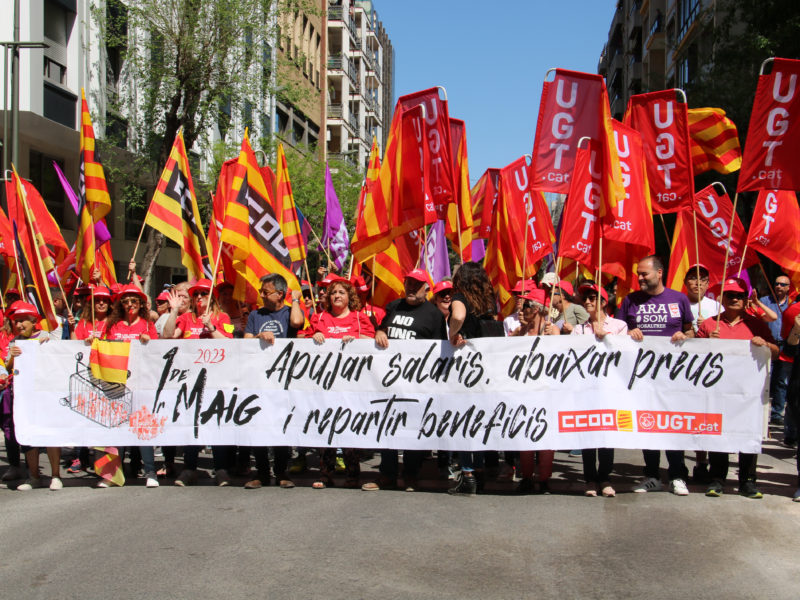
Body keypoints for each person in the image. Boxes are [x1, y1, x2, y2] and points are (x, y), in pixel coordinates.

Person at [363, 269, 446, 492]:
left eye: (416, 284)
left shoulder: (434, 315)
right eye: (408, 283)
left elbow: (440, 350)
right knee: (388, 426)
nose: (411, 288)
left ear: (426, 289)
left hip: (417, 383)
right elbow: (382, 330)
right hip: (388, 381)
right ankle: (387, 474)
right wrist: (379, 332)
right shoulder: (393, 306)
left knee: (411, 428)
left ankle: (411, 475)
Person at [617, 255, 694, 495]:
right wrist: (629, 332)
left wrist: (685, 336)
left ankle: (677, 475)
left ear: (659, 273)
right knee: (647, 424)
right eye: (638, 274)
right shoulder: (630, 300)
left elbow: (691, 332)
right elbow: (618, 332)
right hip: (641, 376)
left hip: (672, 376)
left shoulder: (679, 299)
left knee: (672, 424)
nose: (639, 278)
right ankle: (651, 475)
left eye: (644, 274)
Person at [697, 277, 778, 499]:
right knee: (718, 433)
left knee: (748, 434)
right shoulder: (709, 324)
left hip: (749, 394)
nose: (735, 299)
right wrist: (705, 342)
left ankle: (748, 481)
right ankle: (717, 479)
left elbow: (776, 352)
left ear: (745, 300)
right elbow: (693, 357)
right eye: (730, 295)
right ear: (722, 299)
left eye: (739, 296)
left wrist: (766, 344)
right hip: (717, 392)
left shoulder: (757, 324)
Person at [163, 278, 234, 486]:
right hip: (189, 382)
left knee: (217, 423)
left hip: (216, 380)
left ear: (212, 297)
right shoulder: (185, 319)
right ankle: (189, 468)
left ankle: (221, 469)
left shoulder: (223, 317)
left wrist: (211, 327)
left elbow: (230, 344)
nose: (199, 298)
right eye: (196, 295)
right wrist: (174, 311)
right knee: (191, 423)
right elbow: (167, 337)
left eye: (204, 294)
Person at [310, 277, 375, 489]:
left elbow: (373, 343)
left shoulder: (358, 319)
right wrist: (315, 335)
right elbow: (303, 344)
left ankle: (353, 475)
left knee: (350, 428)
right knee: (326, 427)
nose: (337, 296)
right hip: (325, 384)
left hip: (352, 385)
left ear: (350, 297)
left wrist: (356, 340)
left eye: (342, 292)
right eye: (333, 293)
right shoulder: (319, 318)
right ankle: (325, 474)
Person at [243, 273, 305, 489]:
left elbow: (297, 323)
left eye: (265, 292)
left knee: (282, 426)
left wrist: (295, 299)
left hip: (284, 380)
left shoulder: (290, 312)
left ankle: (281, 472)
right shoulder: (255, 315)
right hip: (259, 380)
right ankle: (261, 472)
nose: (260, 295)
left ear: (280, 294)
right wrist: (260, 336)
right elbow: (247, 341)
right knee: (258, 425)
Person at [448, 262, 504, 495]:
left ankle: (468, 474)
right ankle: (479, 472)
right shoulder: (489, 300)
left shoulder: (460, 297)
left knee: (463, 420)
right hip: (487, 367)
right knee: (480, 420)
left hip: (465, 367)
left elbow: (459, 315)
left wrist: (452, 333)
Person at [572, 283, 628, 497]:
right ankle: (589, 479)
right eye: (585, 298)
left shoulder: (619, 325)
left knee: (607, 433)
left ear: (603, 302)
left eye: (592, 298)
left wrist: (607, 337)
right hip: (587, 388)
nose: (587, 302)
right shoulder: (579, 328)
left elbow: (625, 352)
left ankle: (604, 478)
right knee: (588, 433)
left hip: (611, 388)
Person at [103, 284, 159, 488]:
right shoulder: (113, 324)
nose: (129, 304)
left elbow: (156, 354)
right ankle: (111, 474)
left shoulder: (146, 325)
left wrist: (149, 341)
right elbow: (104, 349)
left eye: (134, 301)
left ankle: (150, 471)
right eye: (125, 301)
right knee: (116, 429)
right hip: (117, 384)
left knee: (142, 427)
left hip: (141, 383)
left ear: (141, 304)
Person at [6, 302, 61, 490]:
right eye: (16, 322)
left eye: (23, 321)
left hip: (46, 393)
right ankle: (34, 477)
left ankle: (55, 476)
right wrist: (13, 356)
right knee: (30, 435)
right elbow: (7, 367)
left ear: (33, 322)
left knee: (51, 433)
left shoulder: (46, 337)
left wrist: (48, 346)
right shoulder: (14, 342)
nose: (19, 325)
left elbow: (59, 358)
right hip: (25, 396)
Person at [510, 288, 560, 494]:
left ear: (539, 309)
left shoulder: (551, 330)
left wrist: (554, 337)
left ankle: (545, 479)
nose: (523, 308)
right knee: (525, 436)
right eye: (522, 304)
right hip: (523, 391)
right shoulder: (520, 330)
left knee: (546, 439)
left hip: (547, 391)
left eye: (528, 305)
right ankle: (527, 477)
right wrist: (518, 333)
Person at [683, 263, 718, 483]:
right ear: (686, 282)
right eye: (693, 278)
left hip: (709, 370)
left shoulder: (716, 306)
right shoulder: (678, 302)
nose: (698, 283)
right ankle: (682, 463)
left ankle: (703, 462)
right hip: (685, 369)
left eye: (703, 279)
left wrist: (709, 328)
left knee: (705, 416)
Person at [761, 274, 796, 443]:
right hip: (767, 345)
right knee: (765, 380)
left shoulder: (793, 303)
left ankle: (776, 414)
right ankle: (762, 414)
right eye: (777, 283)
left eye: (783, 284)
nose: (779, 286)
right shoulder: (765, 301)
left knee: (782, 382)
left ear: (789, 287)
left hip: (785, 347)